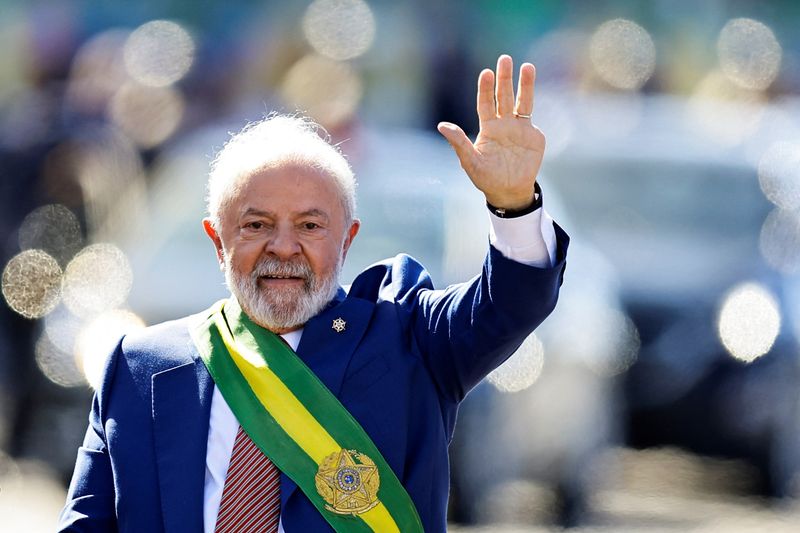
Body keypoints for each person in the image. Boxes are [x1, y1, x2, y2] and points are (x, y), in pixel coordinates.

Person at [58, 54, 569, 532]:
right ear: (218, 241)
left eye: (309, 225)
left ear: (348, 239)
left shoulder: (410, 343)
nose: (283, 247)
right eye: (256, 225)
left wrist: (513, 204)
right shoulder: (139, 367)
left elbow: (511, 301)